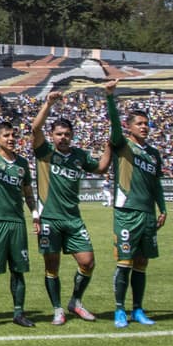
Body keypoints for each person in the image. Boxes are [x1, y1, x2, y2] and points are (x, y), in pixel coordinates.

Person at [30, 90, 109, 325]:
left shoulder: (79, 156)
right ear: (52, 136)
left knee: (87, 262)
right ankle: (57, 308)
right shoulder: (45, 153)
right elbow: (35, 130)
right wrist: (48, 103)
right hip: (49, 219)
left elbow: (101, 168)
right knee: (52, 267)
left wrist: (110, 146)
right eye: (59, 134)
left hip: (74, 219)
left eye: (66, 134)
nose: (63, 137)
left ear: (72, 135)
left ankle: (75, 301)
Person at [104, 80, 166, 329]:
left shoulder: (153, 153)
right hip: (126, 212)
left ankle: (138, 308)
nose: (143, 127)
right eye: (138, 123)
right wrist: (110, 97)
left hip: (148, 213)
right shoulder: (122, 144)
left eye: (145, 124)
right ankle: (120, 310)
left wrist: (163, 207)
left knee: (142, 262)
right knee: (125, 261)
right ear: (129, 127)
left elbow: (157, 184)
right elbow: (114, 126)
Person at [0, 103, 37, 328]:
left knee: (18, 271)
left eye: (14, 135)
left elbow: (28, 193)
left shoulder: (22, 164)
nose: (11, 138)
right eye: (6, 135)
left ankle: (18, 313)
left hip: (17, 223)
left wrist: (35, 214)